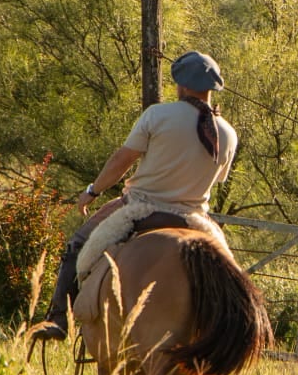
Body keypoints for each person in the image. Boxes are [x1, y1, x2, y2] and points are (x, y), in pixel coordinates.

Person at [29, 50, 239, 342]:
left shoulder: (157, 115)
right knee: (234, 276)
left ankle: (58, 319)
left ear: (181, 84)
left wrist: (93, 191)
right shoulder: (228, 134)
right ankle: (234, 330)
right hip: (194, 217)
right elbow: (216, 178)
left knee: (77, 246)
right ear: (212, 88)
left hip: (140, 207)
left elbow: (121, 160)